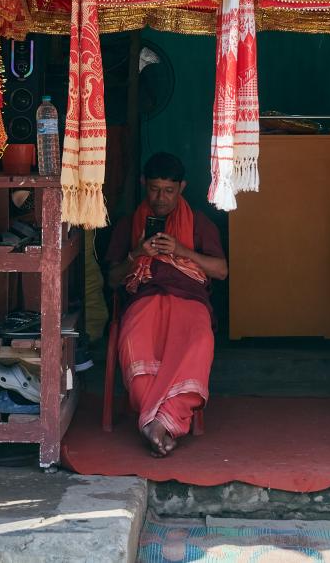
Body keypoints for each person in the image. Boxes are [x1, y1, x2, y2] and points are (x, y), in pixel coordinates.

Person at [105, 152, 228, 457]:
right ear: (144, 184)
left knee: (199, 341)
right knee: (135, 342)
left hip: (189, 299)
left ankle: (155, 423)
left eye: (169, 191)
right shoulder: (128, 224)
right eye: (154, 190)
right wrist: (136, 254)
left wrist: (182, 250)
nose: (161, 199)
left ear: (182, 187)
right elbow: (112, 279)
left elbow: (221, 271)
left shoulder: (199, 223)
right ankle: (162, 423)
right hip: (145, 297)